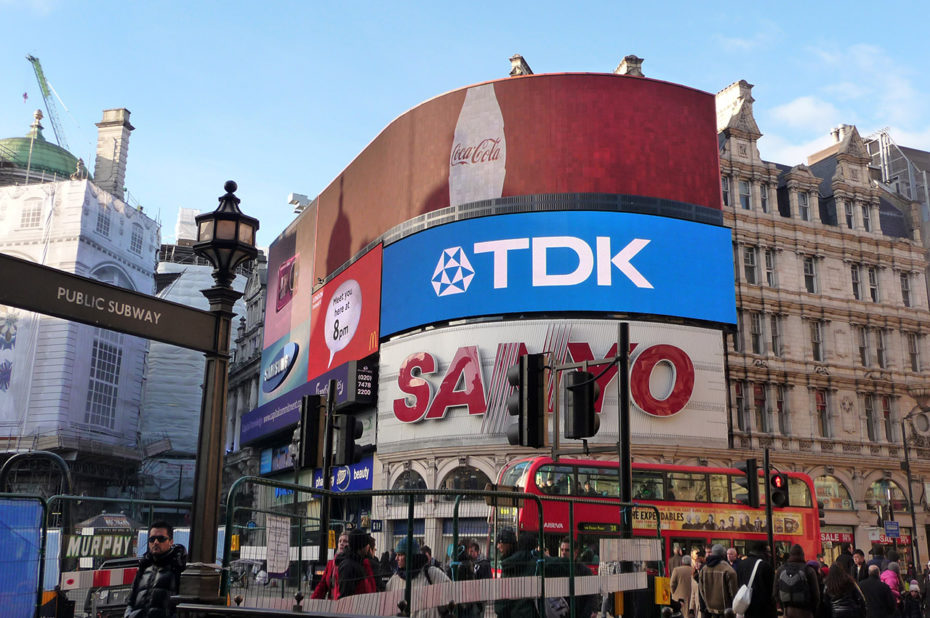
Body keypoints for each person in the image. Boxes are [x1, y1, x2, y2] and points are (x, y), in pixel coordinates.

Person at [125, 521, 187, 618]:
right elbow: (131, 600)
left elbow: (183, 604)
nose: (156, 542)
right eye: (152, 539)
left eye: (161, 539)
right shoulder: (144, 566)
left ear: (171, 541)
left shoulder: (178, 567)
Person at [387, 537, 452, 618]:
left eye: (400, 555)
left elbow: (450, 595)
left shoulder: (431, 573)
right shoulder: (394, 580)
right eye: (396, 555)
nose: (396, 558)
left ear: (410, 556)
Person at [495, 529, 538, 618]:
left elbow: (503, 600)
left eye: (500, 542)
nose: (498, 546)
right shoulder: (535, 562)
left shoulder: (508, 565)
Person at [775, 544, 820, 618]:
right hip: (806, 613)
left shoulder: (780, 570)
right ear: (802, 555)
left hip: (788, 613)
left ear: (790, 555)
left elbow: (775, 594)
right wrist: (812, 612)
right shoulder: (809, 570)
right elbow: (816, 596)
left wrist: (784, 609)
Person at [734, 541, 776, 618]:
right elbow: (771, 592)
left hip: (744, 608)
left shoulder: (741, 564)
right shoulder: (765, 566)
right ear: (763, 551)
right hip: (761, 610)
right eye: (768, 552)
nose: (770, 555)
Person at [698, 544, 738, 617]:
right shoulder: (728, 569)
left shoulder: (704, 569)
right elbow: (733, 592)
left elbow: (701, 589)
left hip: (710, 608)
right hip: (726, 609)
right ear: (723, 554)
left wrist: (707, 603)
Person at [337, 529, 378, 597]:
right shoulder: (349, 566)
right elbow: (345, 595)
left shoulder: (359, 563)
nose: (368, 547)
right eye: (366, 544)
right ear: (361, 547)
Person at [311, 532, 349, 599]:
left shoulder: (351, 563)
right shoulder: (331, 564)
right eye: (340, 541)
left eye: (345, 541)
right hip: (332, 604)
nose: (341, 543)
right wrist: (312, 601)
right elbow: (322, 585)